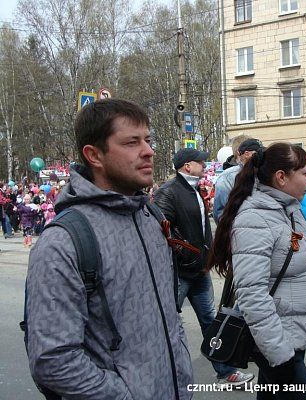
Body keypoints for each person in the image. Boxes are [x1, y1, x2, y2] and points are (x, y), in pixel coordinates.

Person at [25, 99, 193, 399]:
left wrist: (182, 374)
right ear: (94, 155)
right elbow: (53, 359)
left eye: (148, 140)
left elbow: (169, 316)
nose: (149, 151)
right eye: (132, 142)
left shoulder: (151, 218)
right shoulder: (64, 241)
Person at [208, 142, 306, 400]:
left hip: (291, 333)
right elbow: (252, 294)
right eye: (304, 173)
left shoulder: (290, 210)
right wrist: (279, 354)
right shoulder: (254, 219)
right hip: (277, 341)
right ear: (281, 177)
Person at [154, 148, 254, 388]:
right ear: (187, 166)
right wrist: (186, 254)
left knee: (211, 321)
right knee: (165, 324)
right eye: (200, 162)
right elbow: (162, 231)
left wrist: (208, 255)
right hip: (180, 272)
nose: (205, 165)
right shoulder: (168, 192)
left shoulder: (194, 189)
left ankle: (225, 372)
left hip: (199, 270)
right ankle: (160, 377)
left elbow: (201, 228)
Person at [213, 136, 263, 223]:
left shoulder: (264, 172)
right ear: (243, 153)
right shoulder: (227, 178)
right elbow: (221, 214)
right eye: (255, 152)